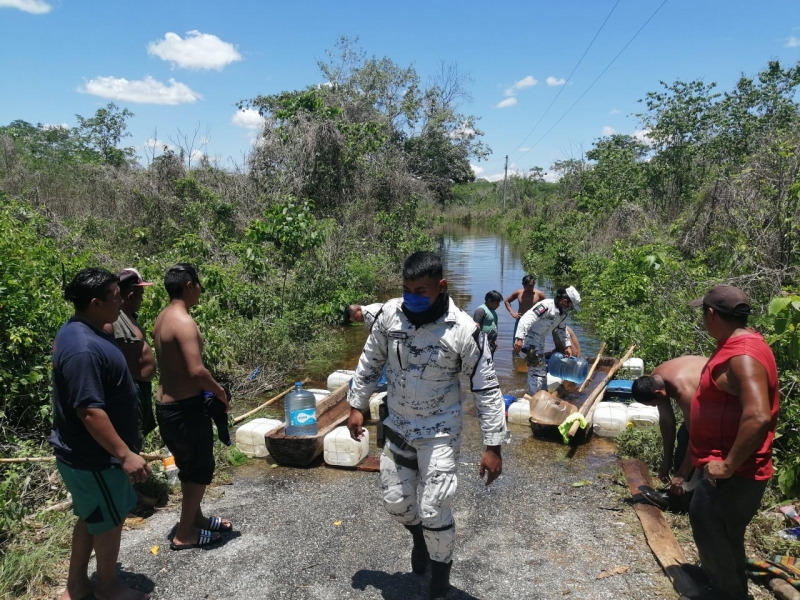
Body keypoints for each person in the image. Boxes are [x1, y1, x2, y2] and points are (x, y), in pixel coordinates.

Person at [346, 251, 508, 600]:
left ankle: (440, 578)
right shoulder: (390, 315)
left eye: (421, 290)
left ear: (441, 287)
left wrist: (492, 446)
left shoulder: (464, 329)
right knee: (397, 503)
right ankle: (419, 538)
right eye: (406, 289)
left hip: (440, 431)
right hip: (399, 425)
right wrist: (356, 405)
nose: (412, 297)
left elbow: (487, 387)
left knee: (435, 507)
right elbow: (370, 361)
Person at [50, 268, 151, 600]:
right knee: (109, 521)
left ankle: (76, 586)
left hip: (89, 457)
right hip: (95, 459)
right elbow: (89, 411)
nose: (121, 300)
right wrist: (125, 455)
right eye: (115, 296)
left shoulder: (88, 329)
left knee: (93, 517)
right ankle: (108, 589)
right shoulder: (81, 348)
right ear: (95, 303)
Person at [687, 285, 779, 600]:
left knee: (709, 527)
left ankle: (727, 593)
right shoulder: (740, 343)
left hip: (733, 474)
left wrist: (728, 465)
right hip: (726, 469)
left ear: (711, 314)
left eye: (703, 312)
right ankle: (724, 580)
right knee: (725, 534)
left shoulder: (743, 356)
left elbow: (758, 416)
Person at [152, 264, 232, 551]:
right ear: (189, 285)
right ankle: (184, 533)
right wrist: (219, 391)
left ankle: (195, 518)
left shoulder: (162, 318)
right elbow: (196, 370)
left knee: (188, 466)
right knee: (200, 468)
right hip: (184, 410)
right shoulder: (183, 322)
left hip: (167, 407)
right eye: (198, 284)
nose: (200, 290)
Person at [631, 356, 707, 495]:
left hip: (730, 403)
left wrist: (682, 474)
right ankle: (681, 485)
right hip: (705, 402)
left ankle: (690, 491)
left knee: (696, 443)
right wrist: (667, 461)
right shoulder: (656, 379)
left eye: (654, 403)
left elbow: (698, 437)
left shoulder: (684, 391)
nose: (656, 406)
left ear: (658, 394)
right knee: (683, 436)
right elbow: (667, 422)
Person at [104, 268, 157, 437]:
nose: (143, 298)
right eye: (141, 293)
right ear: (131, 295)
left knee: (139, 434)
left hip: (141, 387)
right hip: (129, 390)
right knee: (132, 436)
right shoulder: (112, 321)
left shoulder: (129, 316)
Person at [512, 286, 581, 395]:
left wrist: (567, 346)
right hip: (528, 340)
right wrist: (519, 338)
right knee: (536, 370)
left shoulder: (562, 313)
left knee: (541, 371)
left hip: (539, 341)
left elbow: (562, 329)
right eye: (571, 306)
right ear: (564, 301)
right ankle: (533, 397)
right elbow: (525, 319)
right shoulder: (545, 306)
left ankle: (542, 394)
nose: (571, 309)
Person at [504, 274, 546, 340]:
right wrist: (512, 313)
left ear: (534, 284)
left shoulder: (539, 294)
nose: (529, 288)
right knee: (516, 343)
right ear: (523, 284)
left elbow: (547, 306)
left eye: (531, 286)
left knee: (533, 344)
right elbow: (507, 301)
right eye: (527, 286)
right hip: (520, 321)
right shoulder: (518, 293)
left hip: (534, 322)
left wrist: (541, 315)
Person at [473, 290, 502, 355]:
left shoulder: (492, 311)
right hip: (482, 343)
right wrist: (478, 343)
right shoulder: (481, 310)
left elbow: (495, 326)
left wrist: (495, 340)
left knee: (489, 362)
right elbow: (476, 327)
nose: (499, 305)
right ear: (489, 301)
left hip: (491, 342)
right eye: (497, 303)